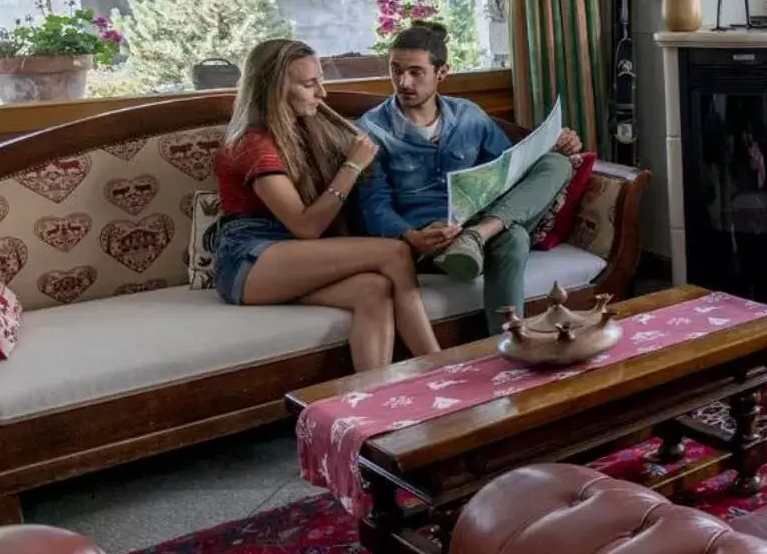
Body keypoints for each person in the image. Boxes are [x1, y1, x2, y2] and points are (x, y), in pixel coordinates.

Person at [212, 38, 444, 372]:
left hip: (291, 258)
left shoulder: (304, 128)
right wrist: (352, 167)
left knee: (374, 288)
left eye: (321, 80)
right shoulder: (253, 144)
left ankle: (373, 400)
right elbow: (306, 227)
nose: (322, 93)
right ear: (274, 89)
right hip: (247, 259)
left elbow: (333, 225)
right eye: (309, 84)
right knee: (394, 252)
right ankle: (438, 367)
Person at [353, 21, 582, 332]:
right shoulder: (372, 129)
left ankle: (480, 235)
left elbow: (509, 170)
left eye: (416, 72)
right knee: (514, 238)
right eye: (396, 70)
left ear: (442, 72)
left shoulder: (469, 116)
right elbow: (373, 204)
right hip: (430, 240)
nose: (403, 82)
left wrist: (555, 147)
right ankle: (510, 342)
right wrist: (411, 237)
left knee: (557, 164)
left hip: (479, 221)